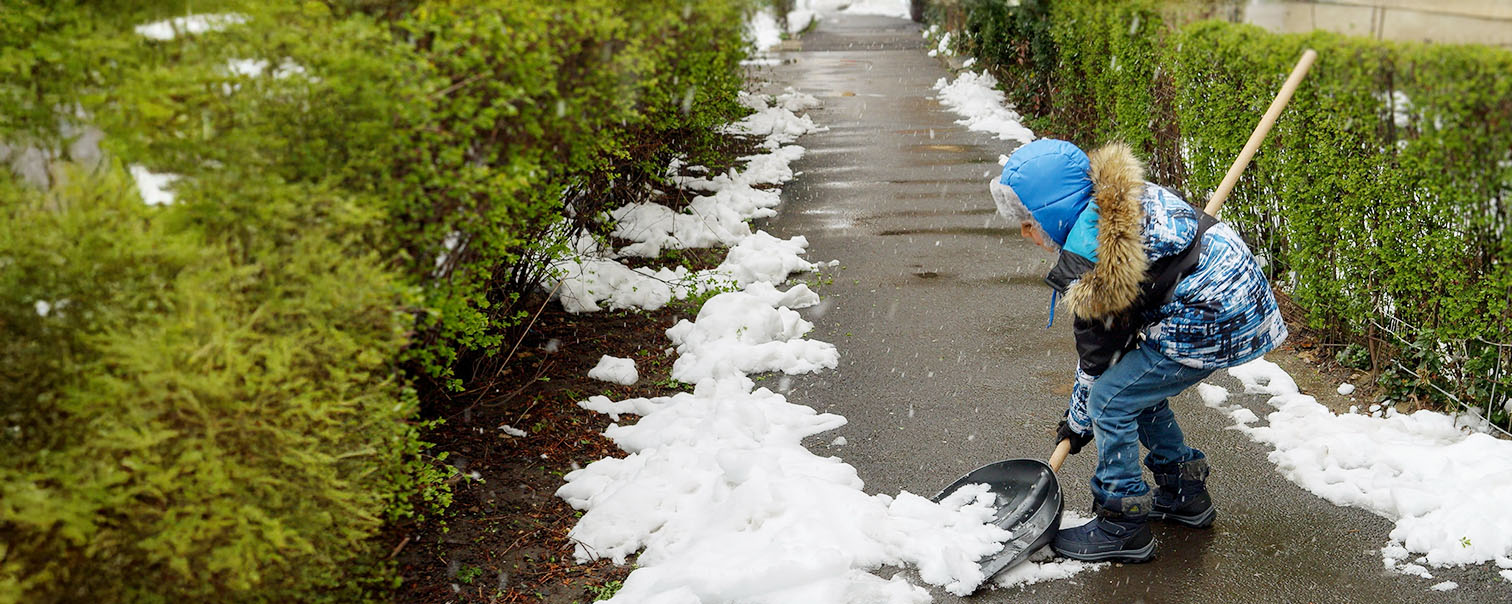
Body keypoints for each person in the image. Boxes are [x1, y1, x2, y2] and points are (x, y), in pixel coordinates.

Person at [989, 139, 1287, 562]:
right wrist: (1076, 422)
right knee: (1131, 389)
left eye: (1028, 222)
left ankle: (1122, 523)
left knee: (1110, 401)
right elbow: (1109, 354)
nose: (1024, 233)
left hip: (1212, 312)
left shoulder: (1095, 266)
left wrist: (1078, 424)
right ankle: (1184, 494)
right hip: (1229, 296)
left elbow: (1098, 365)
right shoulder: (1114, 203)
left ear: (1055, 214)